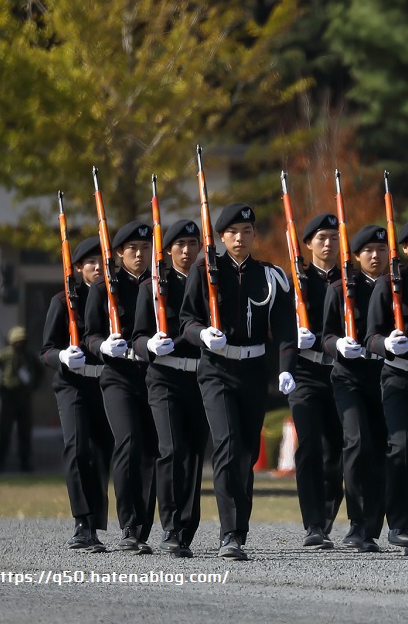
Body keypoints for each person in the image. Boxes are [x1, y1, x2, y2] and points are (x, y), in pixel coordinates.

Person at [180, 202, 298, 561]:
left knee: (244, 452)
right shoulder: (204, 273)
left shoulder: (270, 275)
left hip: (252, 370)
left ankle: (238, 530)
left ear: (255, 235)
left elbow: (284, 329)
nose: (240, 238)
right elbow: (186, 321)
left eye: (247, 232)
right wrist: (203, 335)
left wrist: (286, 367)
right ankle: (229, 533)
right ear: (221, 237)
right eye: (233, 232)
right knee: (228, 446)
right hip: (216, 369)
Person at [133, 219, 206, 558]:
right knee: (172, 449)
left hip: (201, 378)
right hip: (164, 377)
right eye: (181, 244)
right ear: (169, 249)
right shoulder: (153, 285)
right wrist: (151, 344)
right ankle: (171, 526)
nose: (188, 251)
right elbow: (136, 338)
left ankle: (186, 528)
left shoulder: (208, 282)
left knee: (193, 455)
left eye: (193, 243)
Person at [84, 221, 157, 554]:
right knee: (127, 442)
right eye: (132, 250)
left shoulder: (160, 284)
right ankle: (128, 523)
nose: (139, 255)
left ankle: (144, 526)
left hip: (155, 375)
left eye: (144, 248)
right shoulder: (103, 289)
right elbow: (90, 335)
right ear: (118, 254)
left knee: (152, 451)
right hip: (118, 376)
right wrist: (103, 347)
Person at [366, 218, 408, 555]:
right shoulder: (390, 283)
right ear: (404, 248)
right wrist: (387, 344)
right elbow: (370, 337)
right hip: (397, 375)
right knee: (402, 445)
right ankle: (398, 524)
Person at [40, 237, 113, 551]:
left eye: (101, 261)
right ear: (79, 268)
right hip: (73, 384)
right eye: (90, 262)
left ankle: (96, 524)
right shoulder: (63, 301)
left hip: (106, 384)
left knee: (101, 454)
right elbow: (45, 350)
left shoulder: (115, 298)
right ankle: (82, 523)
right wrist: (62, 357)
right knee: (77, 447)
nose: (97, 267)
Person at [321, 224, 390, 553]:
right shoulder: (340, 289)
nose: (375, 256)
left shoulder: (396, 287)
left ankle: (373, 525)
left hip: (386, 375)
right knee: (357, 442)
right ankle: (357, 522)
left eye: (381, 250)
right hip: (349, 376)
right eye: (368, 251)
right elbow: (326, 336)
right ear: (357, 255)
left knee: (380, 450)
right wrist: (339, 346)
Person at [287, 213, 345, 550]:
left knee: (337, 450)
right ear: (308, 244)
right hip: (306, 374)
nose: (328, 244)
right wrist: (295, 338)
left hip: (340, 372)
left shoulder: (350, 279)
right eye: (321, 238)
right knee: (309, 446)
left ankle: (325, 518)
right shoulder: (296, 280)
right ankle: (313, 524)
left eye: (334, 238)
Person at [0, 326, 42, 471]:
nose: (20, 344)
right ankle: (0, 461)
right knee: (4, 431)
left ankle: (25, 462)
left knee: (25, 432)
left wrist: (34, 385)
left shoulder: (28, 356)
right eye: (18, 341)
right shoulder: (4, 355)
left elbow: (40, 370)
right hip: (8, 396)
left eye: (22, 341)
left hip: (24, 397)